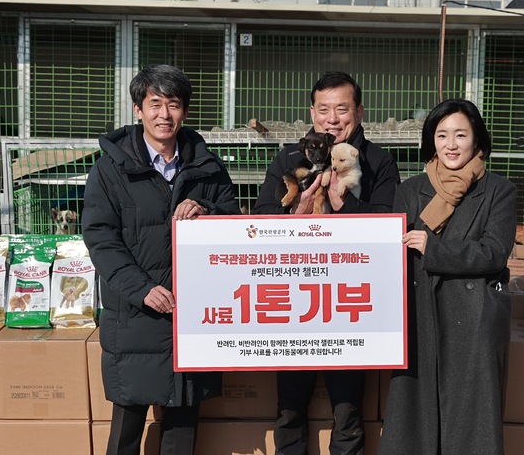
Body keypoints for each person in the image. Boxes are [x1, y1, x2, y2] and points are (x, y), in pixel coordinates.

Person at [82, 64, 240, 455]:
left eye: (173, 105)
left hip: (194, 316)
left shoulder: (208, 168)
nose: (163, 115)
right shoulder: (110, 169)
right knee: (127, 426)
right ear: (138, 109)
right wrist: (142, 289)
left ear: (184, 111)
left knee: (183, 425)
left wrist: (207, 210)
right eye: (155, 104)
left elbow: (236, 225)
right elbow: (100, 237)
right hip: (137, 317)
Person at [252, 71, 401, 455]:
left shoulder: (379, 162)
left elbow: (388, 223)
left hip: (349, 301)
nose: (332, 119)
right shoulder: (287, 158)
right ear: (312, 114)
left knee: (348, 410)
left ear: (360, 112)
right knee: (289, 406)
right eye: (324, 110)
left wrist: (342, 203)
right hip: (295, 298)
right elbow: (261, 214)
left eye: (342, 109)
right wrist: (296, 211)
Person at [378, 99, 517, 455]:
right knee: (414, 420)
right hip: (420, 313)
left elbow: (494, 252)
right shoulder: (410, 189)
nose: (451, 145)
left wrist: (433, 249)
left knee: (469, 425)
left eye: (460, 135)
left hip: (474, 319)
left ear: (477, 142)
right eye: (442, 135)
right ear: (431, 141)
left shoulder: (498, 190)